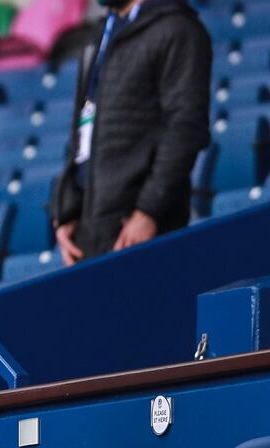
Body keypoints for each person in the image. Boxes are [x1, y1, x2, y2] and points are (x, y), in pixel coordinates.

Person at [51, 0, 211, 264]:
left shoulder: (177, 29)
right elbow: (84, 128)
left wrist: (148, 211)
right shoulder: (99, 33)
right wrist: (67, 211)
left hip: (140, 230)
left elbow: (185, 129)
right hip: (89, 229)